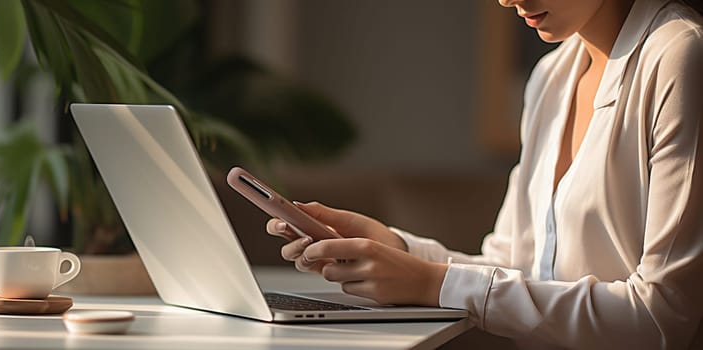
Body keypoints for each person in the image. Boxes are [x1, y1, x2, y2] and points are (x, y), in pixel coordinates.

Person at [266, 0, 703, 348]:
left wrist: (432, 283)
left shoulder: (679, 56)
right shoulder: (552, 77)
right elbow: (512, 268)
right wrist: (395, 250)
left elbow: (661, 319)